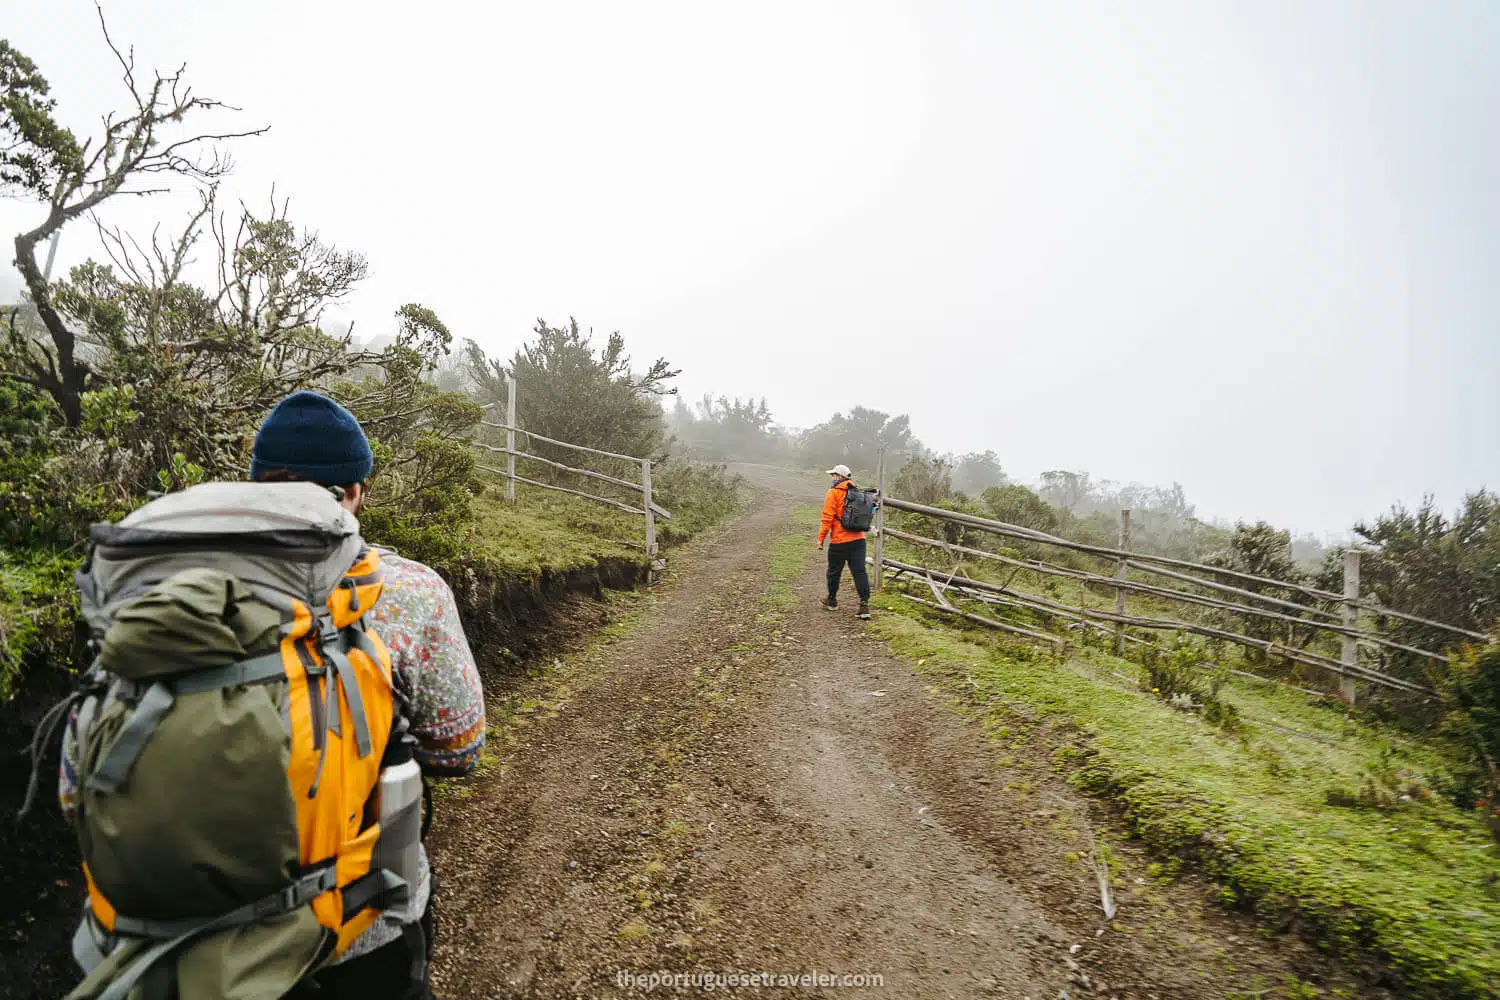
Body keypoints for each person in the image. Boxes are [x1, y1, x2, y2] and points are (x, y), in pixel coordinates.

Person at [57, 391, 486, 1000]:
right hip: (358, 934)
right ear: (356, 490)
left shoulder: (152, 594)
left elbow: (74, 787)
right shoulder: (410, 591)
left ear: (258, 480)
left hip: (164, 951)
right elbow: (461, 749)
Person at [817, 463, 872, 620]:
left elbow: (827, 519)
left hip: (839, 541)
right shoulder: (858, 493)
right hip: (858, 539)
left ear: (840, 477)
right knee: (859, 572)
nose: (832, 478)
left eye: (834, 475)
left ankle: (832, 600)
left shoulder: (833, 493)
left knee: (834, 571)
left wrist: (820, 539)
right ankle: (864, 606)